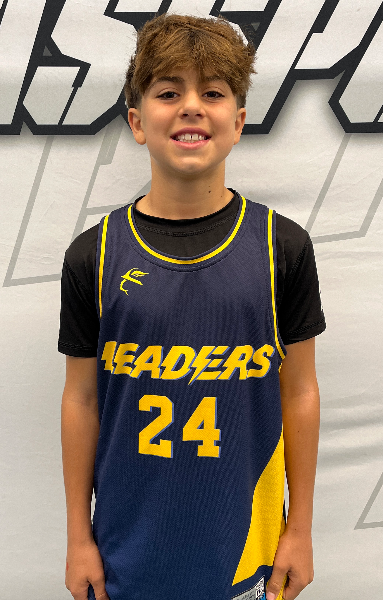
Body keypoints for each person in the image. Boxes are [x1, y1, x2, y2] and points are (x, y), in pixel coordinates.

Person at [59, 13, 325, 600]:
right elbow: (81, 400)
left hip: (249, 550)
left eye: (212, 93)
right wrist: (79, 537)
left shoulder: (282, 247)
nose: (191, 107)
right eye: (168, 92)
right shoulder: (94, 255)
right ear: (136, 121)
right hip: (127, 551)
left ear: (239, 121)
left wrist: (300, 528)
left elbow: (299, 391)